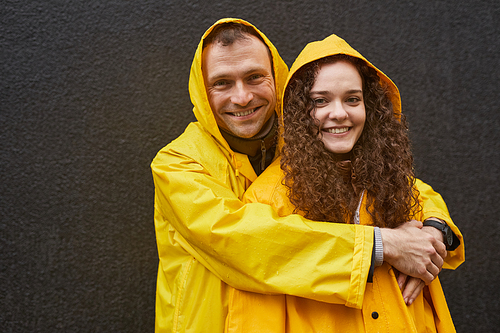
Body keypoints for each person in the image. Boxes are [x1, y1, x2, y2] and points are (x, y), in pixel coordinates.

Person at [151, 18, 462, 332]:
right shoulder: (177, 163)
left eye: (255, 77)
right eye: (222, 83)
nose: (242, 97)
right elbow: (239, 240)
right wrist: (385, 245)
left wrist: (434, 230)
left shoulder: (308, 138)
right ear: (203, 91)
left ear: (278, 78)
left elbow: (398, 183)